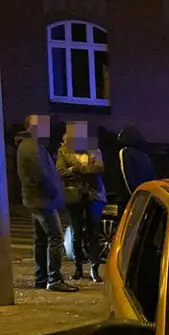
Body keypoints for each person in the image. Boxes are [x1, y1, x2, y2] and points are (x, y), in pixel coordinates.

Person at [15, 115, 77, 292]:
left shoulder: (31, 145)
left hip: (37, 199)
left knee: (41, 240)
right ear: (30, 127)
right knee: (55, 237)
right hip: (42, 200)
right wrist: (54, 192)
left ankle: (41, 278)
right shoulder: (30, 146)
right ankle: (54, 279)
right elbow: (40, 174)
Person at [57, 122, 107, 283]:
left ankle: (94, 268)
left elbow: (99, 168)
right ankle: (78, 267)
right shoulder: (64, 151)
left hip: (93, 195)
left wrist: (74, 169)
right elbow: (61, 171)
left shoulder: (94, 149)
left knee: (93, 233)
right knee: (76, 234)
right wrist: (83, 167)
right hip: (73, 196)